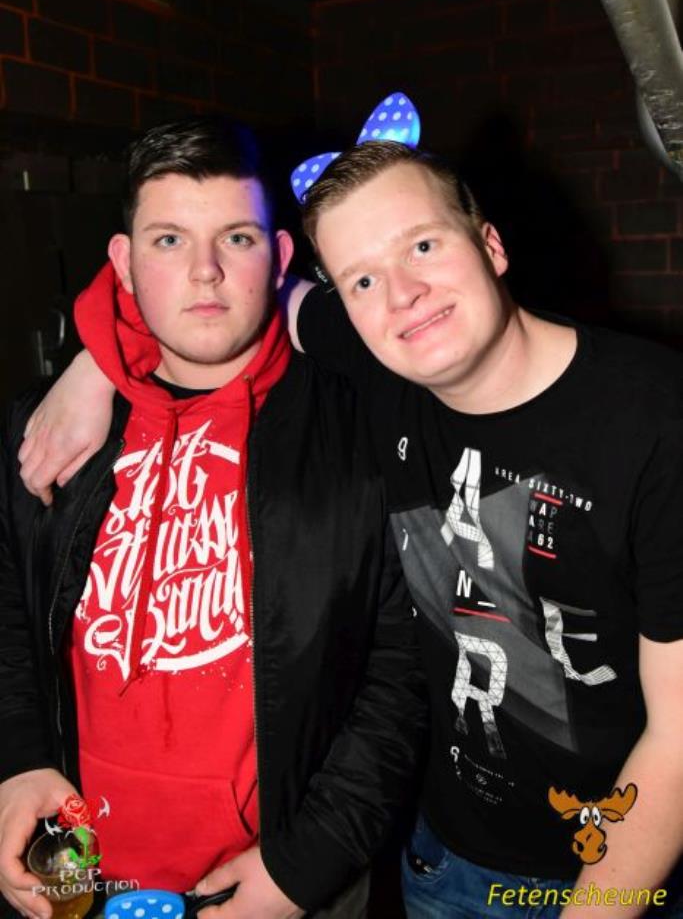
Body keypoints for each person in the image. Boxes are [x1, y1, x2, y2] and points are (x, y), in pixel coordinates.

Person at [17, 137, 683, 919]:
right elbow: (216, 289)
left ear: (491, 244)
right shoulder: (378, 374)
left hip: (622, 872)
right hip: (441, 862)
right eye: (362, 278)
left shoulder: (653, 418)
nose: (402, 294)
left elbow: (677, 739)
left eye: (423, 246)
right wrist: (96, 365)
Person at [0, 119, 427, 919]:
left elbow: (403, 669)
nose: (205, 271)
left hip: (279, 880)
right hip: (79, 876)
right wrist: (17, 760)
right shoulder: (47, 430)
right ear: (122, 264)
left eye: (236, 237)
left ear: (281, 257)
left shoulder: (360, 433)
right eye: (168, 240)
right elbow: (10, 613)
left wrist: (308, 863)